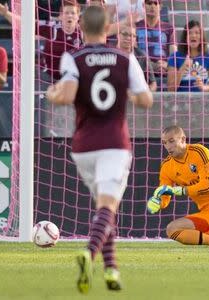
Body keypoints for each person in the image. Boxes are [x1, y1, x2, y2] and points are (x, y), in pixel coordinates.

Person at [46, 5, 153, 293]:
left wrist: (52, 92)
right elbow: (146, 100)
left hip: (83, 147)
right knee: (107, 208)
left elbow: (65, 96)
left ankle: (111, 271)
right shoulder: (125, 59)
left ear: (81, 27)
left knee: (104, 211)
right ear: (109, 28)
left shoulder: (73, 57)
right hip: (114, 144)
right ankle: (89, 254)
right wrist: (127, 92)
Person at [0, 1, 82, 84]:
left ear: (78, 16)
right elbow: (26, 24)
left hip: (73, 78)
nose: (70, 16)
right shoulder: (53, 28)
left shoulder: (83, 33)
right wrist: (6, 13)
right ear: (61, 16)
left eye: (73, 13)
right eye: (66, 13)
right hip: (49, 77)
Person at [167, 20, 209, 92]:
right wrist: (183, 68)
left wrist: (204, 87)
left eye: (197, 33)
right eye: (189, 33)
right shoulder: (175, 57)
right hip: (181, 100)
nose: (193, 35)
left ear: (201, 37)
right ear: (185, 37)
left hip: (201, 100)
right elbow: (170, 89)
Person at [135, 0, 175, 82]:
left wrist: (168, 65)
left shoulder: (169, 28)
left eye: (156, 3)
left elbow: (174, 54)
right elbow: (133, 51)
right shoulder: (136, 26)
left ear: (160, 6)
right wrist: (150, 65)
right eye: (149, 3)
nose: (152, 6)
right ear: (143, 5)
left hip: (163, 69)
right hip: (141, 69)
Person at [117, 23, 157, 91]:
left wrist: (146, 94)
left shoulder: (142, 56)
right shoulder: (110, 54)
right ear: (118, 35)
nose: (129, 38)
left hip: (137, 95)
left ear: (135, 39)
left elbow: (153, 84)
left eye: (133, 36)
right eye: (125, 34)